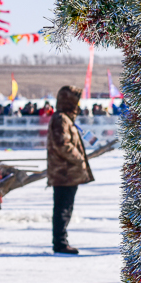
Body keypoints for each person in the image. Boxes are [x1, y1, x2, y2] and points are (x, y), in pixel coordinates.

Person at [46, 85, 94, 255]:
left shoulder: (65, 118)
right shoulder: (61, 119)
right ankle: (60, 243)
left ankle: (61, 241)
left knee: (65, 208)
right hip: (63, 173)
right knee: (62, 209)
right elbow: (62, 144)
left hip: (67, 173)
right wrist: (78, 158)